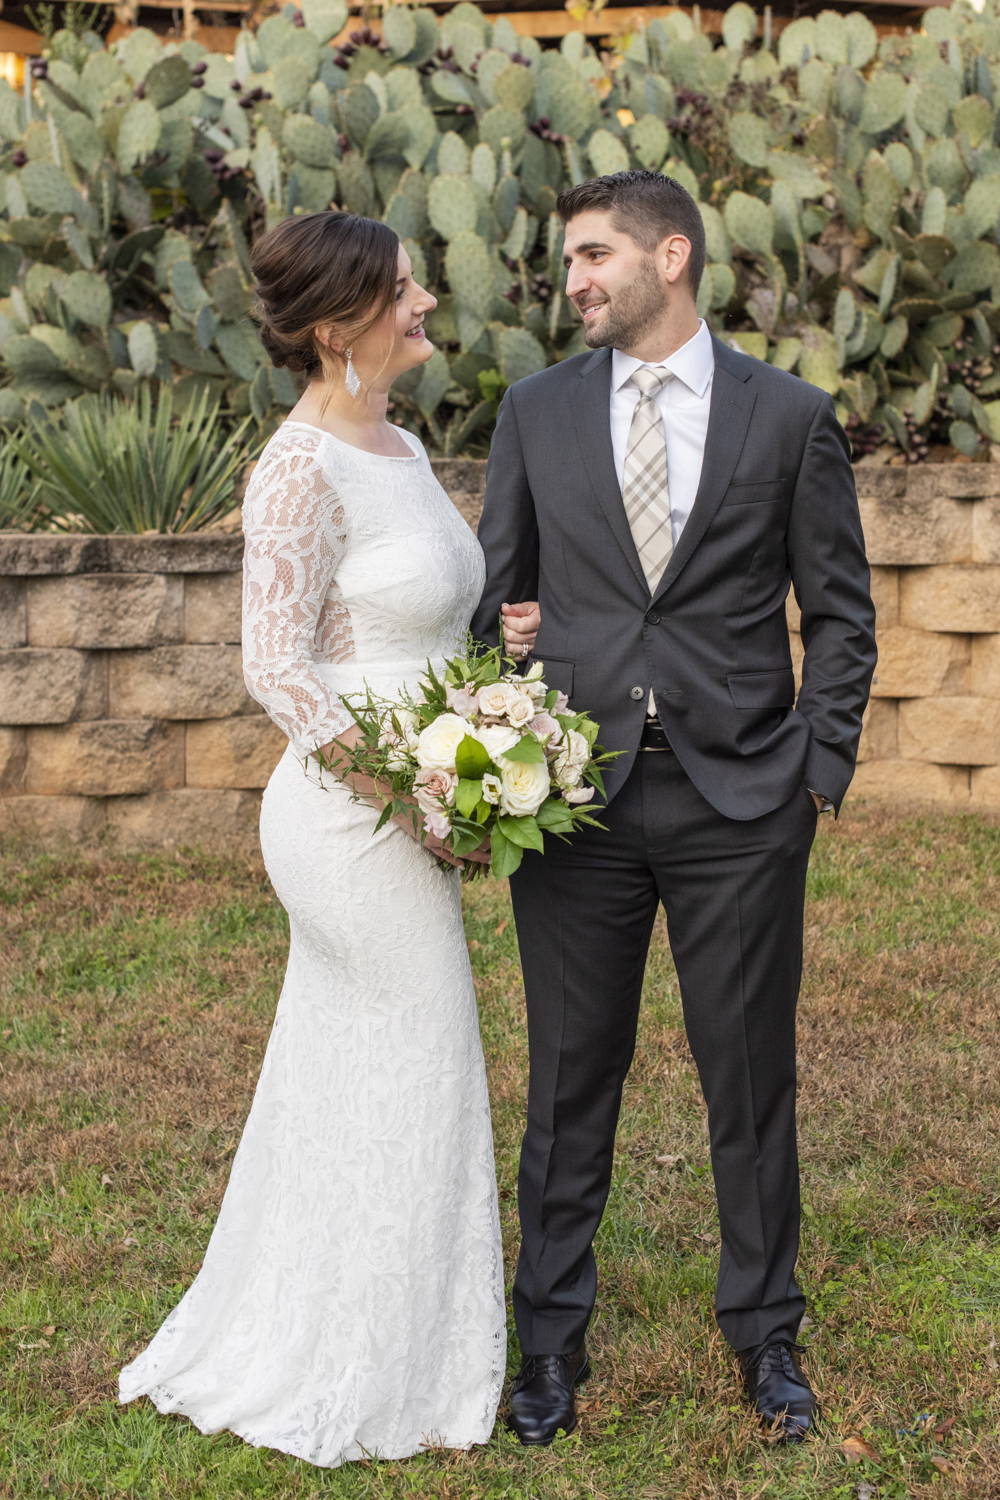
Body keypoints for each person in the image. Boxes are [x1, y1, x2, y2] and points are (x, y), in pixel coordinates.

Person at [119, 211, 539, 1467]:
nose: (422, 302)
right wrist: (407, 790)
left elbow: (400, 630)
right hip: (346, 811)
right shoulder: (297, 467)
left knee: (363, 1066)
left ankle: (374, 1323)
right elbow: (279, 668)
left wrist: (494, 672)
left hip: (421, 780)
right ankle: (362, 1362)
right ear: (332, 328)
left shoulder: (402, 448)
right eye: (401, 290)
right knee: (419, 1049)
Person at [472, 170, 877, 1447]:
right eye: (567, 259)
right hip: (575, 802)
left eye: (593, 255)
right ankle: (548, 1347)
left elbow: (843, 614)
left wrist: (816, 766)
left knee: (749, 1082)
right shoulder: (535, 413)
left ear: (672, 256)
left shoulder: (789, 418)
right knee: (565, 1082)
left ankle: (766, 1340)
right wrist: (511, 644)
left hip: (744, 799)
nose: (574, 280)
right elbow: (496, 603)